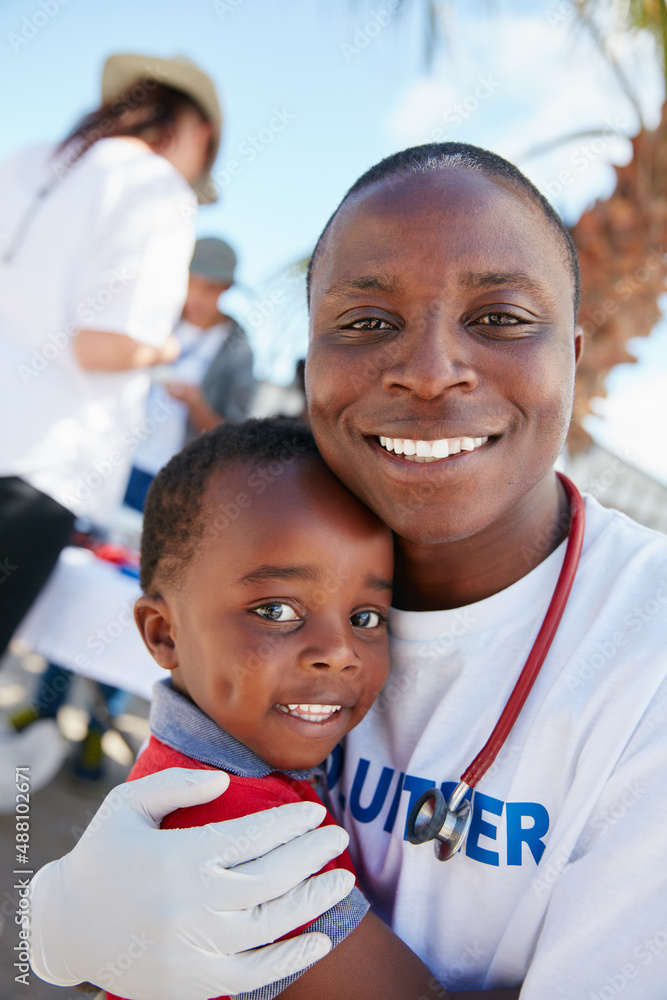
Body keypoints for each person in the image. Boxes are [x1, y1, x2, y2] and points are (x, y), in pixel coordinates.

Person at [27, 143, 667, 999]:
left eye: (502, 317)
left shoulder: (642, 647)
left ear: (574, 356)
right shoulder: (262, 568)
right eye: (365, 322)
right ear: (308, 370)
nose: (432, 370)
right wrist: (54, 927)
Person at [105, 416, 476, 1000]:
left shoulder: (191, 768)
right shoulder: (235, 832)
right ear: (164, 634)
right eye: (276, 610)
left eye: (366, 618)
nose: (338, 653)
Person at [0, 52, 222, 659]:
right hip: (37, 466)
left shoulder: (31, 160)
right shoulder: (156, 188)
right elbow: (104, 343)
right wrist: (167, 345)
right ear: (198, 134)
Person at [125, 236, 256, 511]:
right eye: (189, 282)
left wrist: (197, 404)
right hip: (117, 460)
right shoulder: (157, 318)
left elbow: (233, 440)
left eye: (208, 287)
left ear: (227, 289)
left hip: (173, 481)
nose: (195, 295)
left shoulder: (237, 350)